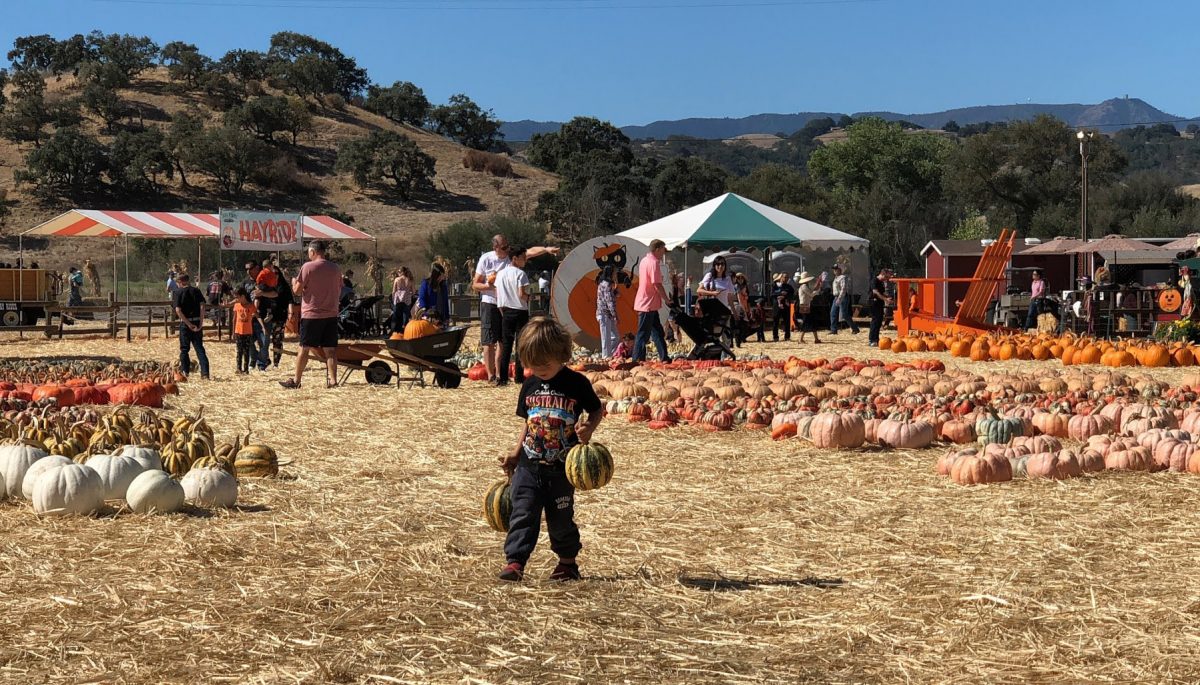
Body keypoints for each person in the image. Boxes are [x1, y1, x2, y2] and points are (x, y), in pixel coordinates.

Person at [497, 317, 603, 582]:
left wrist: (588, 428)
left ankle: (567, 564)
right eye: (533, 364)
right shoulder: (529, 385)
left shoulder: (576, 383)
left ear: (562, 354)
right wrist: (515, 452)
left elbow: (596, 409)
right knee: (523, 513)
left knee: (561, 518)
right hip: (528, 466)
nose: (540, 369)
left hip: (562, 469)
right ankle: (515, 562)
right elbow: (528, 422)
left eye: (545, 363)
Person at [474, 235, 561, 382]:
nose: (507, 249)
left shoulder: (512, 258)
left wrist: (546, 249)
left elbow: (532, 251)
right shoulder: (486, 259)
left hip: (505, 305)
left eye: (508, 246)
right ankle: (490, 375)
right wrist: (491, 286)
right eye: (504, 247)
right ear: (495, 248)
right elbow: (475, 284)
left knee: (504, 342)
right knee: (489, 340)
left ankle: (501, 375)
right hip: (490, 302)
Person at [281, 240, 342, 390]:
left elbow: (297, 290)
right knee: (330, 349)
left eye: (309, 252)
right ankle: (333, 380)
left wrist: (294, 281)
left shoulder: (308, 267)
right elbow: (339, 287)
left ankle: (296, 380)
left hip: (312, 314)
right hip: (331, 313)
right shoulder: (335, 268)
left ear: (313, 252)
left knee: (304, 348)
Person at [495, 246, 531, 386]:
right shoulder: (520, 274)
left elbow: (499, 296)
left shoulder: (501, 274)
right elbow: (521, 294)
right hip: (520, 311)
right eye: (523, 257)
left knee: (506, 345)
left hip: (506, 311)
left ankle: (503, 377)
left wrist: (503, 311)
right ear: (515, 259)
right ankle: (519, 376)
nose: (525, 260)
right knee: (520, 345)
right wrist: (530, 297)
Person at [632, 239, 671, 363]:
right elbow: (657, 284)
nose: (664, 253)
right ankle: (637, 359)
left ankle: (664, 357)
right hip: (647, 303)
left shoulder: (644, 260)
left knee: (657, 332)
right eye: (663, 250)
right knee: (643, 333)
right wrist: (667, 300)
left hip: (649, 303)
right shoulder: (653, 263)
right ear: (658, 249)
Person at [172, 273, 210, 380]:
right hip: (197, 322)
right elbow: (202, 306)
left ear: (180, 282)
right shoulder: (196, 291)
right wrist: (201, 322)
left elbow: (178, 310)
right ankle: (205, 373)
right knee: (199, 348)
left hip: (185, 324)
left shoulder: (177, 292)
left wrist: (188, 324)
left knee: (184, 349)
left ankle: (185, 373)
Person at [228, 287, 257, 374]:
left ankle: (246, 369)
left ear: (243, 296)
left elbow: (255, 315)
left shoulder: (251, 306)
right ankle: (238, 368)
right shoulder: (237, 305)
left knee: (246, 351)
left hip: (248, 332)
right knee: (239, 351)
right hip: (238, 331)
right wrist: (233, 332)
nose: (236, 299)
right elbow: (234, 319)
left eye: (237, 297)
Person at [595, 266, 618, 358]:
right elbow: (609, 301)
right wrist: (615, 315)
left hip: (607, 314)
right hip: (604, 313)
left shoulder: (603, 283)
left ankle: (609, 354)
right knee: (606, 337)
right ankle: (606, 357)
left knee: (615, 337)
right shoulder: (606, 284)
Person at [829, 264, 859, 335]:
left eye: (836, 269)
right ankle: (833, 330)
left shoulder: (843, 277)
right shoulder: (836, 278)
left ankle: (855, 328)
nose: (834, 271)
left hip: (842, 297)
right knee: (833, 313)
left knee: (845, 314)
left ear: (840, 270)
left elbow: (843, 289)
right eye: (834, 269)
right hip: (836, 297)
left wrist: (840, 298)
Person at [868, 269, 894, 347]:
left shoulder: (881, 282)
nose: (886, 279)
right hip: (873, 302)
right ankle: (872, 340)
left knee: (879, 321)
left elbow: (882, 292)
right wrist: (885, 299)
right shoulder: (874, 280)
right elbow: (875, 292)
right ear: (882, 274)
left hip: (879, 303)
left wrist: (887, 297)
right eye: (886, 277)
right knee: (875, 321)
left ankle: (876, 339)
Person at [795, 272, 821, 344]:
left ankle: (816, 339)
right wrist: (818, 290)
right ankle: (800, 339)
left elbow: (810, 293)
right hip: (805, 306)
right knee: (806, 321)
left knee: (811, 321)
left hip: (806, 305)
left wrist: (816, 289)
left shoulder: (804, 286)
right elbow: (811, 294)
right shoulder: (804, 286)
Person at [771, 273, 794, 342]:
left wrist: (785, 297)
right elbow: (772, 295)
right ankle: (775, 337)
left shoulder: (789, 287)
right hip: (777, 306)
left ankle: (787, 336)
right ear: (781, 278)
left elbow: (792, 295)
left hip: (786, 305)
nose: (786, 279)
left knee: (787, 321)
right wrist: (779, 294)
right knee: (776, 321)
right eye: (785, 277)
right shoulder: (775, 286)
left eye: (787, 277)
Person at [391, 267, 415, 333]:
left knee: (396, 316)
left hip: (398, 299)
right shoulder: (410, 280)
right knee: (406, 316)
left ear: (402, 272)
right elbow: (413, 291)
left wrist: (393, 299)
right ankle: (405, 331)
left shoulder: (397, 279)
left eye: (399, 271)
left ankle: (395, 331)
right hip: (407, 299)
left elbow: (393, 291)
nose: (398, 273)